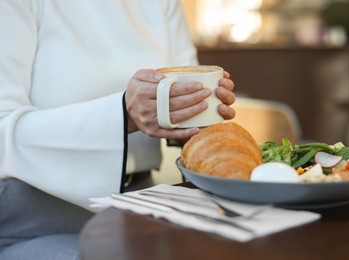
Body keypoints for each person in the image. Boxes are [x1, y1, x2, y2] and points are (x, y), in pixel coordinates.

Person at [0, 1, 236, 259]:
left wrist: (195, 113)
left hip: (139, 203)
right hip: (38, 215)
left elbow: (183, 104)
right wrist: (123, 115)